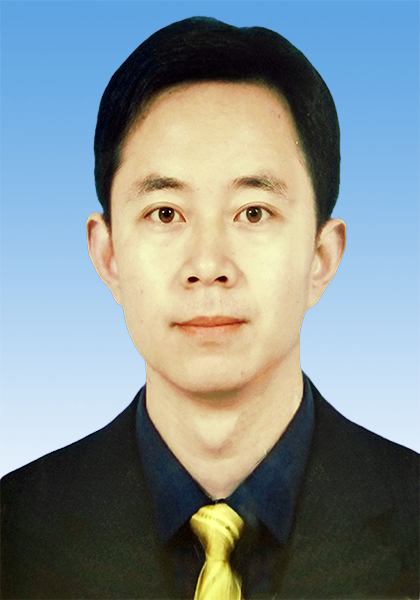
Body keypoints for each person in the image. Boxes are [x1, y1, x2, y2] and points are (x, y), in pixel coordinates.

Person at [1, 16, 418, 600]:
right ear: (109, 255)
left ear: (321, 258)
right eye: (165, 213)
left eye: (253, 212)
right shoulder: (14, 533)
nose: (208, 264)